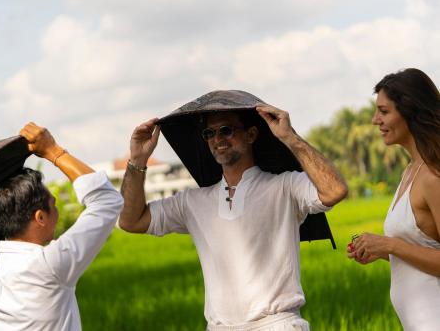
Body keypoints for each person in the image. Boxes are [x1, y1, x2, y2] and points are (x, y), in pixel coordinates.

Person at [119, 100, 348, 330]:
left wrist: (290, 138)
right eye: (210, 133)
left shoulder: (284, 187)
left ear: (251, 135)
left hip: (277, 323)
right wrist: (138, 159)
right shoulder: (192, 202)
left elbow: (335, 190)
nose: (218, 139)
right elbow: (131, 220)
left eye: (226, 130)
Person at [0, 122, 124, 331]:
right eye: (54, 205)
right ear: (40, 217)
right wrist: (53, 151)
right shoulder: (50, 265)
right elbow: (108, 200)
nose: (58, 212)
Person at [348, 68, 440, 331]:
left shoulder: (433, 176)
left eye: (384, 111)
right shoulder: (411, 171)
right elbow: (424, 248)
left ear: (410, 111)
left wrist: (391, 245)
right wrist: (381, 250)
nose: (375, 120)